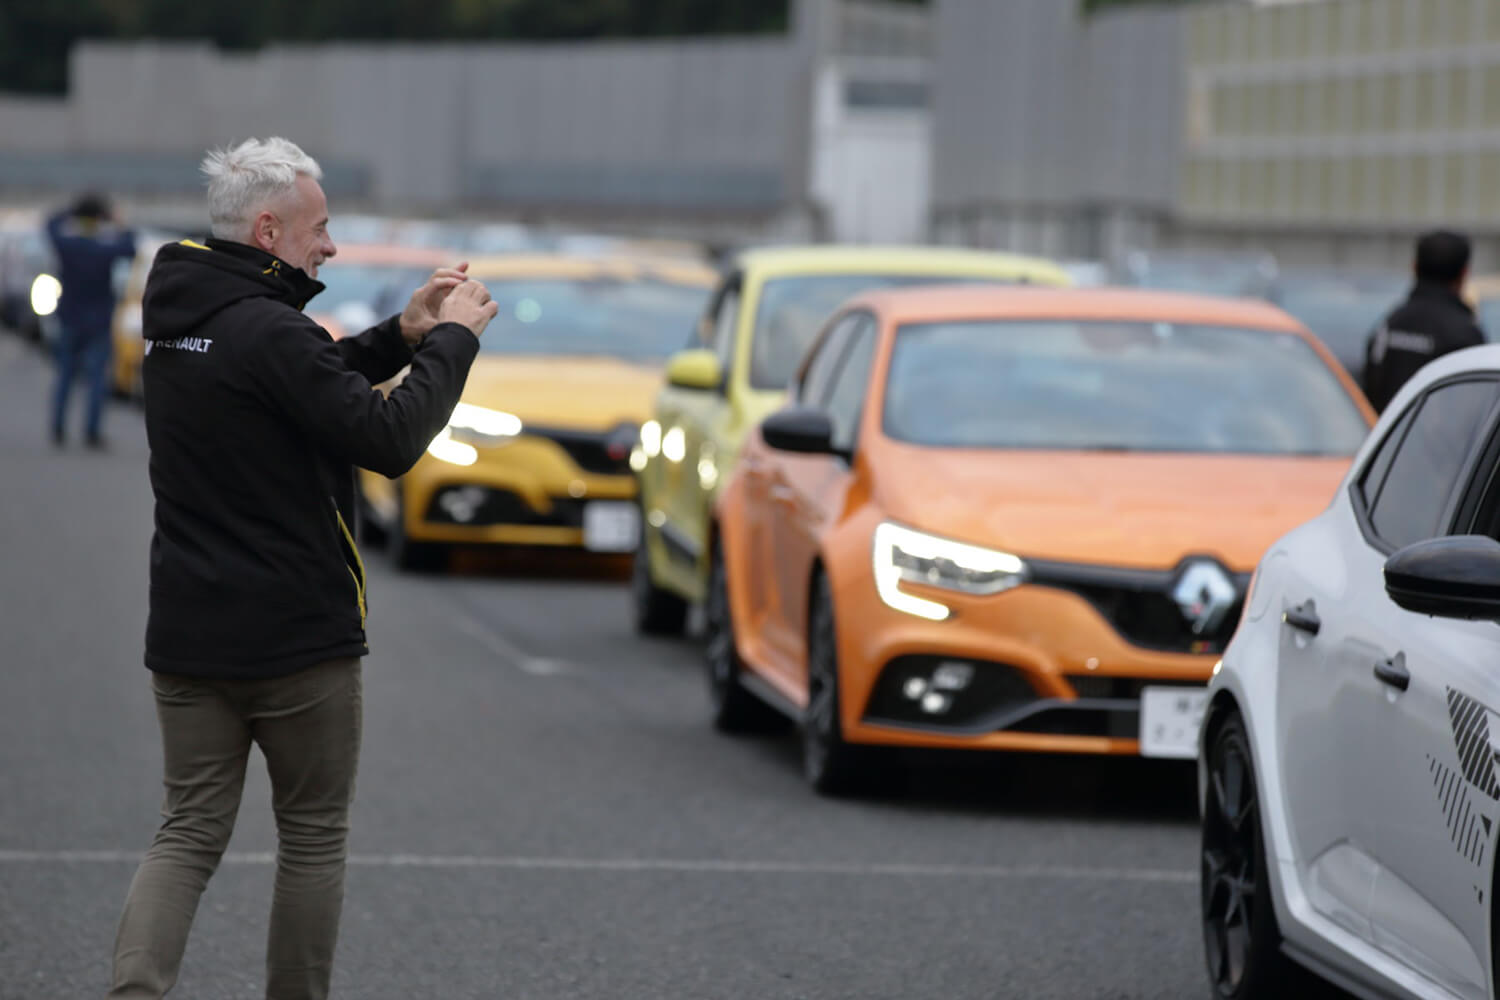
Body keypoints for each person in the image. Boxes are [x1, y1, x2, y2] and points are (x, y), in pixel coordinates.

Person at [108, 137, 497, 1000]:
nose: (330, 246)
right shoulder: (268, 331)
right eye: (319, 229)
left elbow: (302, 381)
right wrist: (454, 344)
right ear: (270, 227)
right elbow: (386, 439)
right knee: (313, 837)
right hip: (298, 637)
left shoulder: (180, 317)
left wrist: (402, 332)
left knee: (186, 834)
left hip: (188, 629)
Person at [44, 191, 137, 447]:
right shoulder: (104, 248)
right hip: (99, 320)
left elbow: (49, 225)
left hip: (69, 318)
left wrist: (70, 211)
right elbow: (131, 246)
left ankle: (58, 428)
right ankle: (91, 432)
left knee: (65, 375)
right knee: (96, 378)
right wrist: (117, 220)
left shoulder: (69, 244)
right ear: (99, 218)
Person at [1362, 230, 1486, 412]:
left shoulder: (1390, 325)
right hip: (1443, 439)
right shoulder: (1465, 334)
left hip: (1389, 436)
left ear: (1414, 267)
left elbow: (1368, 389)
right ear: (1464, 273)